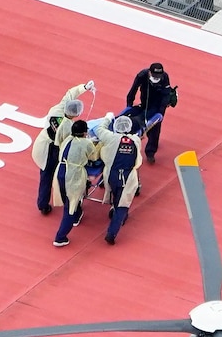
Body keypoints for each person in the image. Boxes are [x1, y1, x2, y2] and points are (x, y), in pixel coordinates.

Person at [32, 80, 94, 215]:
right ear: (76, 114)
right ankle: (65, 202)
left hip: (42, 143)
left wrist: (84, 87)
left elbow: (70, 94)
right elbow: (72, 142)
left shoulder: (57, 110)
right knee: (54, 175)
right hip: (54, 151)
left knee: (45, 176)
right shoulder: (69, 128)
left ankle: (43, 204)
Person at [93, 114, 142, 245]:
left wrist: (108, 118)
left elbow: (99, 129)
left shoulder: (111, 137)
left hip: (111, 175)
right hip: (128, 177)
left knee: (115, 195)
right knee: (123, 205)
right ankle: (111, 233)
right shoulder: (136, 140)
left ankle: (116, 213)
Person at [53, 120, 99, 247]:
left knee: (66, 199)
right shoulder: (86, 143)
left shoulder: (67, 139)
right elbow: (94, 157)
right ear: (85, 132)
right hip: (73, 175)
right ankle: (60, 237)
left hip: (60, 172)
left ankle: (77, 215)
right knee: (70, 205)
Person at [125, 62, 171, 164]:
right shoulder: (142, 75)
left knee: (155, 126)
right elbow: (133, 90)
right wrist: (129, 105)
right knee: (138, 117)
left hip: (158, 103)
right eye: (154, 76)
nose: (156, 78)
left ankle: (151, 151)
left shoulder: (164, 77)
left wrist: (161, 113)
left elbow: (166, 96)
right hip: (145, 100)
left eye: (158, 76)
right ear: (149, 73)